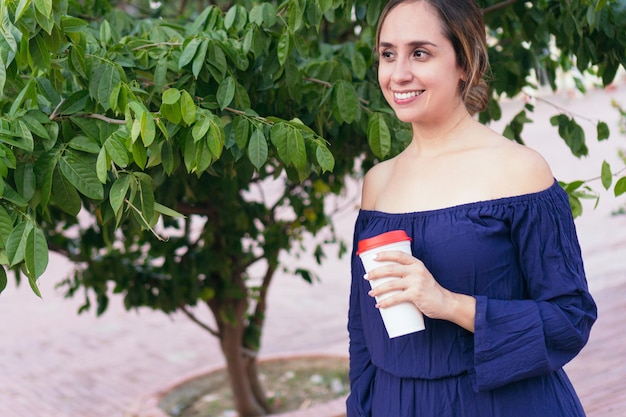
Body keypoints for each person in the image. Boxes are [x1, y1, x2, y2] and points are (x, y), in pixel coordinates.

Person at [346, 0, 598, 416]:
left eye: (420, 53)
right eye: (387, 54)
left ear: (465, 62)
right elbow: (363, 331)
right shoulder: (378, 183)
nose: (399, 73)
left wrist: (448, 303)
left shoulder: (520, 171)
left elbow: (570, 319)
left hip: (505, 404)